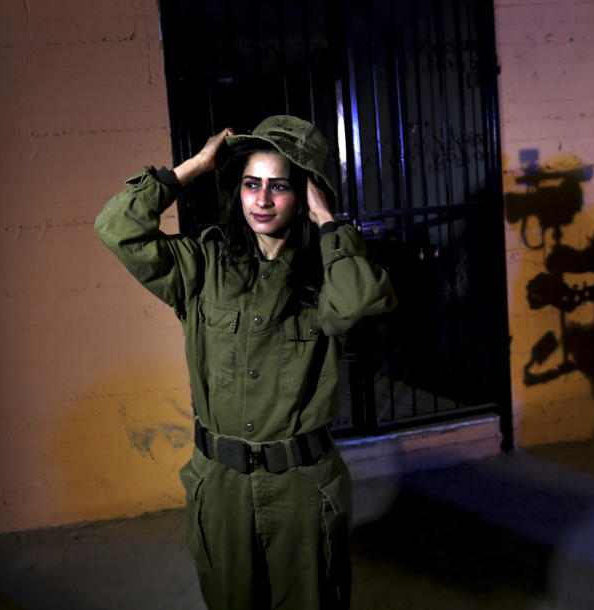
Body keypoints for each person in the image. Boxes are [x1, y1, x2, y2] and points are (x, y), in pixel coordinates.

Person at [95, 115, 397, 609]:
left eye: (280, 186)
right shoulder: (204, 265)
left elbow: (361, 302)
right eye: (251, 184)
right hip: (221, 486)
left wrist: (328, 222)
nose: (262, 200)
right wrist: (194, 166)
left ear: (305, 195)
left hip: (301, 490)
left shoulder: (329, 270)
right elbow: (117, 227)